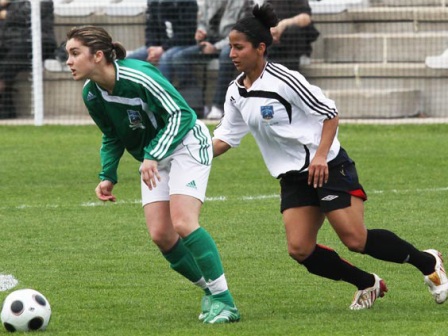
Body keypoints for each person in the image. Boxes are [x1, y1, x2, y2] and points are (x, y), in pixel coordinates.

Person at [212, 3, 448, 310]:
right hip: (293, 176)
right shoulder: (235, 92)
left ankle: (428, 262)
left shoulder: (285, 80)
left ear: (259, 48)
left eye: (238, 47)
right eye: (230, 47)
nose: (232, 54)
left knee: (356, 239)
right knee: (299, 249)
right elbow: (224, 138)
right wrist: (187, 155)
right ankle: (367, 283)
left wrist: (321, 157)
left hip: (328, 165)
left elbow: (330, 114)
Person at [65, 25, 240, 324]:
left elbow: (182, 114)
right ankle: (211, 291)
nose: (68, 61)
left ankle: (226, 303)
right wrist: (108, 174)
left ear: (97, 56)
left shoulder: (139, 76)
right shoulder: (92, 93)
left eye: (74, 53)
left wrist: (152, 155)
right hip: (154, 155)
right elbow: (111, 135)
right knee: (161, 235)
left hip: (186, 142)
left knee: (184, 222)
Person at [171, 0, 250, 120]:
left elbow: (241, 34)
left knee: (226, 55)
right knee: (179, 58)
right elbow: (202, 21)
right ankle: (198, 105)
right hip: (209, 41)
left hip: (231, 44)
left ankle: (218, 106)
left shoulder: (244, 3)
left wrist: (215, 47)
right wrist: (201, 31)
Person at [0, 0, 57, 119]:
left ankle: (5, 106)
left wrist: (6, 14)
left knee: (9, 63)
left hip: (40, 43)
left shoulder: (44, 2)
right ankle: (7, 108)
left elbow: (28, 15)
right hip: (11, 42)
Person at [126, 0, 198, 84]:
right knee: (130, 60)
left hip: (183, 43)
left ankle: (162, 93)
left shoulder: (188, 2)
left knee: (165, 58)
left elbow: (186, 32)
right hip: (158, 45)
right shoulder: (154, 2)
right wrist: (151, 48)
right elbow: (150, 28)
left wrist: (163, 48)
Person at [266, 0, 319, 69]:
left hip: (293, 43)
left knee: (293, 30)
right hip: (272, 44)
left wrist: (282, 25)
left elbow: (306, 18)